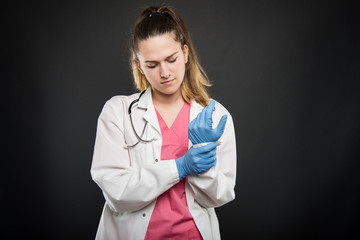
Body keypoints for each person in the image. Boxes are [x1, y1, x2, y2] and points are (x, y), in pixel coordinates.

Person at [91, 5, 236, 240]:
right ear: (139, 66)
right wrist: (179, 167)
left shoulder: (215, 116)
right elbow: (116, 193)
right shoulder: (117, 112)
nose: (165, 72)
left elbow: (220, 196)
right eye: (152, 65)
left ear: (186, 53)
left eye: (171, 59)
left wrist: (204, 163)